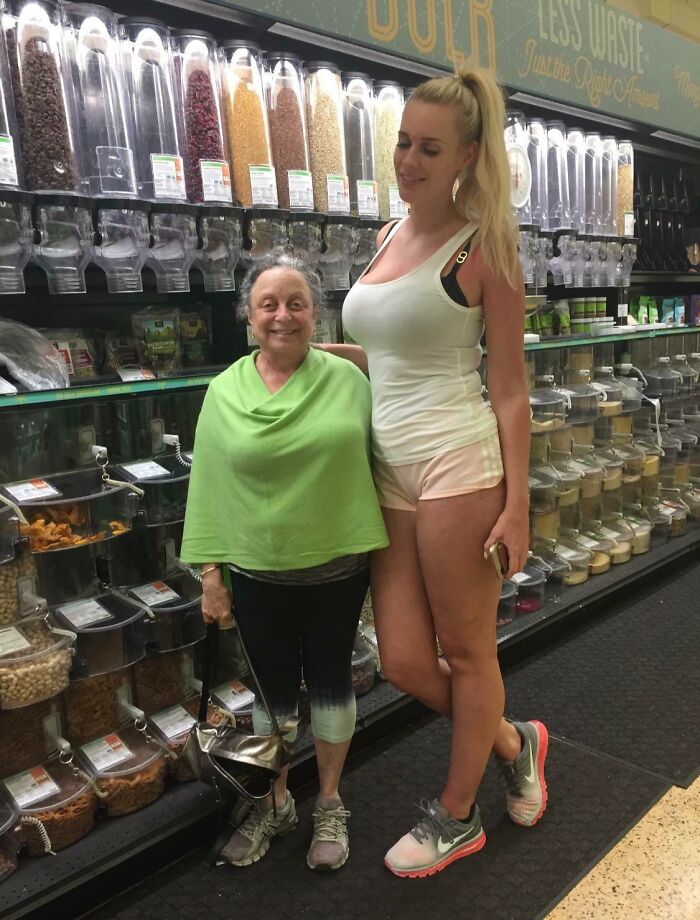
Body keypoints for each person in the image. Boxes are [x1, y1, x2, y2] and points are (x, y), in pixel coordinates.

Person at [329, 64, 548, 878]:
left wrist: (517, 504)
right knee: (403, 662)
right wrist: (309, 353)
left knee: (466, 652)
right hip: (387, 469)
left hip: (460, 463)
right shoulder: (387, 235)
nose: (409, 160)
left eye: (429, 147)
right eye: (402, 143)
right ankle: (513, 740)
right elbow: (388, 356)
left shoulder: (484, 246)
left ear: (465, 157)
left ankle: (456, 817)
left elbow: (512, 389)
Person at [180, 252, 388, 872]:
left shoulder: (349, 381)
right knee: (272, 699)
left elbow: (393, 443)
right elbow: (208, 485)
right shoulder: (224, 390)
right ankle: (275, 800)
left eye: (296, 302)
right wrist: (210, 577)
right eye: (268, 303)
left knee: (329, 685)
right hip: (254, 572)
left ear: (315, 314)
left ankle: (327, 800)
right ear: (248, 317)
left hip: (337, 569)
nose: (282, 315)